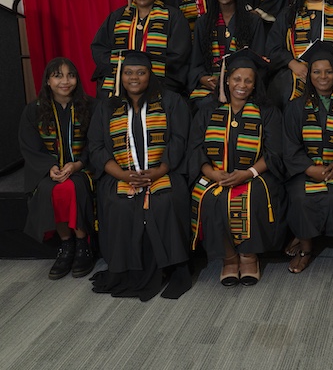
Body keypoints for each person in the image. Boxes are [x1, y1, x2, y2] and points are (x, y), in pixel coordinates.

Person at [87, 50, 192, 300]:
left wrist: (159, 171)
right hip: (121, 175)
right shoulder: (107, 106)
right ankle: (127, 272)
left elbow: (179, 140)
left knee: (165, 200)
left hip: (163, 171)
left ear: (150, 74)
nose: (134, 78)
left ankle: (170, 268)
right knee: (120, 203)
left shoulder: (170, 101)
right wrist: (122, 175)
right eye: (128, 72)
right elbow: (97, 147)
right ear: (121, 76)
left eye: (141, 72)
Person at [188, 49, 285, 287]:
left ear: (255, 84)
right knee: (210, 199)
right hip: (214, 175)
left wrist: (248, 173)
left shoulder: (267, 112)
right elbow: (195, 148)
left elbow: (274, 152)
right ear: (227, 80)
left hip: (254, 175)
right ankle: (229, 259)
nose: (241, 85)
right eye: (236, 79)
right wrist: (211, 173)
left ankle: (249, 257)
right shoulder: (207, 110)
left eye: (248, 80)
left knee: (252, 197)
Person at [282, 41, 333, 273]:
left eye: (328, 71)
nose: (323, 76)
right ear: (310, 75)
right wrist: (309, 169)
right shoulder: (296, 107)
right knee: (300, 197)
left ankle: (307, 236)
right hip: (305, 169)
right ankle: (306, 247)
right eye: (316, 72)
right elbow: (290, 145)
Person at [19, 58, 96, 280]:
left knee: (73, 187)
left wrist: (78, 164)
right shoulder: (33, 111)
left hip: (83, 168)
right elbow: (29, 146)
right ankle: (66, 245)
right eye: (58, 76)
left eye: (70, 75)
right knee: (53, 188)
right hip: (48, 170)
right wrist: (50, 167)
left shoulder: (91, 106)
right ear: (47, 81)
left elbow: (96, 144)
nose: (65, 81)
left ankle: (83, 245)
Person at [91, 0, 191, 96]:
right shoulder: (117, 16)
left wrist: (145, 73)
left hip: (161, 79)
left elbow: (179, 55)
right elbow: (100, 47)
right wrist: (123, 70)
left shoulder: (173, 17)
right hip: (121, 80)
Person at [188, 0, 266, 102]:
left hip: (242, 84)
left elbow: (258, 60)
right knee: (201, 104)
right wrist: (202, 78)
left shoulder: (252, 21)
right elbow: (196, 62)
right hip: (211, 84)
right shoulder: (203, 22)